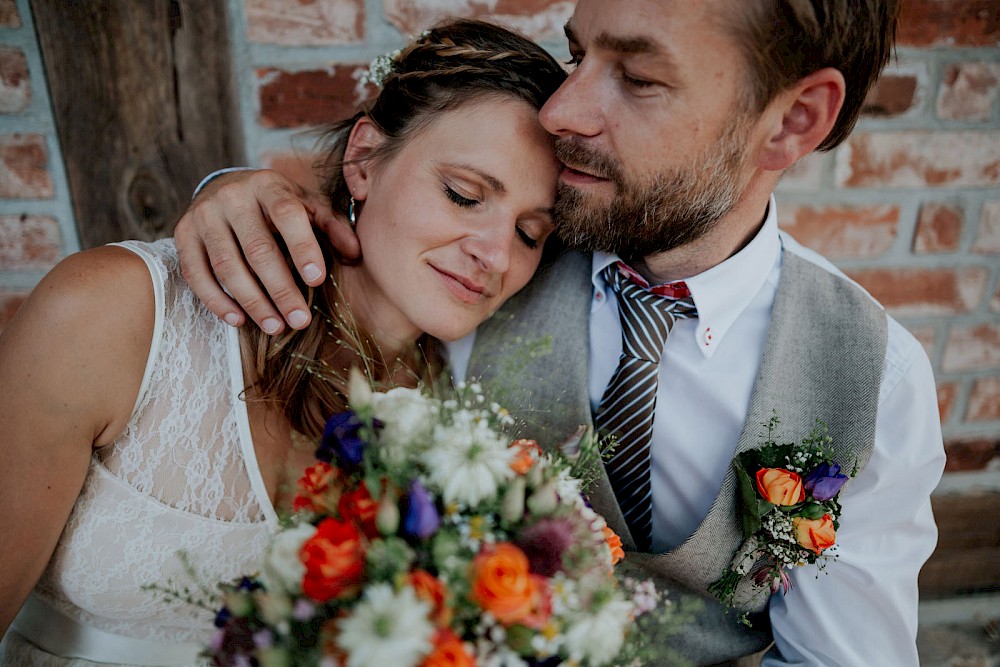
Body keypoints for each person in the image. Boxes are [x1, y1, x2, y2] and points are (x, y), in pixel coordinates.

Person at [174, 1, 947, 665]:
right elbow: (381, 211)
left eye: (637, 78)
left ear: (792, 120)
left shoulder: (871, 380)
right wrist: (239, 195)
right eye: (579, 55)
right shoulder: (501, 253)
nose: (560, 112)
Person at [0, 19, 567, 664]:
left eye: (530, 233)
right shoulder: (118, 312)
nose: (497, 255)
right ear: (363, 159)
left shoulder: (469, 413)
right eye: (464, 195)